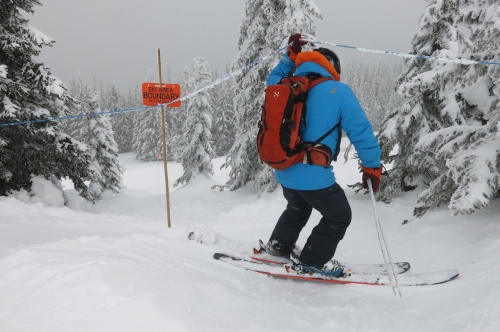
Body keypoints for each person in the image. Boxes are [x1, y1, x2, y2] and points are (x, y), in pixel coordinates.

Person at [264, 33, 383, 277]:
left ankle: (278, 247)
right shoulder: (338, 91)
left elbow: (271, 79)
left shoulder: (285, 85)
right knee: (339, 215)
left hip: (284, 169)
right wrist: (372, 167)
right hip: (313, 175)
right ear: (332, 67)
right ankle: (313, 261)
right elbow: (360, 131)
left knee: (297, 208)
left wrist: (290, 57)